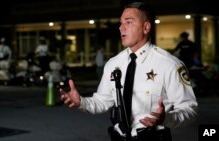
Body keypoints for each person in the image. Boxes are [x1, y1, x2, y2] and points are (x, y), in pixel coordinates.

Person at [60, 2, 198, 141]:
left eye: (129, 22)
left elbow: (189, 110)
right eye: (121, 22)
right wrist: (81, 102)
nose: (121, 28)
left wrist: (166, 119)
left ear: (146, 27)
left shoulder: (169, 65)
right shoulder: (113, 64)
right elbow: (103, 101)